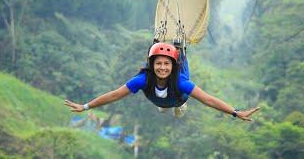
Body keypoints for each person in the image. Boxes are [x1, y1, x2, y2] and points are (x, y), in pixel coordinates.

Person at [65, 42, 259, 120]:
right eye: (158, 63)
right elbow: (115, 94)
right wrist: (86, 106)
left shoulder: (180, 81)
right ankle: (165, 106)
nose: (163, 68)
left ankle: (177, 106)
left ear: (172, 66)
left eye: (167, 64)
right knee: (162, 105)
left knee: (176, 105)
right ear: (152, 64)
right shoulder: (142, 79)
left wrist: (235, 113)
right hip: (158, 100)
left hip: (178, 99)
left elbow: (208, 99)